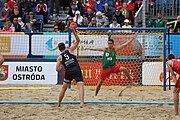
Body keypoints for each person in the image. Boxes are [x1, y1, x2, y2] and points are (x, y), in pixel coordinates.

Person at [56, 27, 84, 108]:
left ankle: (59, 103)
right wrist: (74, 31)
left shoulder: (59, 57)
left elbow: (57, 69)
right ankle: (81, 103)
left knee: (63, 88)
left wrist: (61, 66)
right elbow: (78, 40)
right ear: (65, 47)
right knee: (81, 86)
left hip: (68, 72)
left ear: (59, 49)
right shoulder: (70, 50)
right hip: (76, 69)